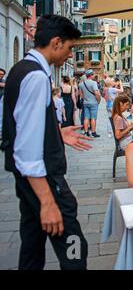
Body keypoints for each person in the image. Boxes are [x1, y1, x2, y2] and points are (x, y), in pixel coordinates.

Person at [0, 14, 92, 270]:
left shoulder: (20, 70)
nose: (70, 55)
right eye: (70, 48)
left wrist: (55, 133)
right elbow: (27, 151)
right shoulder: (37, 78)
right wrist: (48, 202)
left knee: (31, 244)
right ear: (56, 42)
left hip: (26, 181)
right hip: (45, 182)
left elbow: (21, 125)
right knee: (74, 247)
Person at [79, 69, 101, 137]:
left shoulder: (81, 84)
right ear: (91, 75)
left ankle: (86, 132)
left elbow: (81, 95)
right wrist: (99, 100)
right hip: (93, 102)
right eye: (93, 74)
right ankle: (93, 132)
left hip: (86, 103)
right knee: (93, 118)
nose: (94, 76)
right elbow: (96, 93)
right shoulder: (93, 83)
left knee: (86, 118)